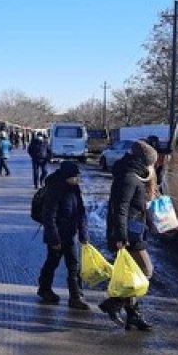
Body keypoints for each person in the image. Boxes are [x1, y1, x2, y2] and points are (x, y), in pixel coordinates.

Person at [99, 139, 158, 331]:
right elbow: (120, 209)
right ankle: (114, 303)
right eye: (151, 162)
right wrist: (121, 237)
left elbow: (134, 206)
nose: (152, 167)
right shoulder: (129, 177)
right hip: (127, 235)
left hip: (133, 231)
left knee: (132, 274)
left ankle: (133, 315)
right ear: (143, 160)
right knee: (145, 271)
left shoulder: (134, 176)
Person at [37, 161, 90, 309]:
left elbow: (81, 212)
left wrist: (83, 233)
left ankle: (75, 297)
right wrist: (54, 238)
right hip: (57, 236)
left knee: (74, 265)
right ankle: (44, 289)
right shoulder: (55, 189)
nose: (77, 179)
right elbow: (49, 215)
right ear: (67, 176)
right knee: (52, 262)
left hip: (70, 235)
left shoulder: (74, 189)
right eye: (74, 177)